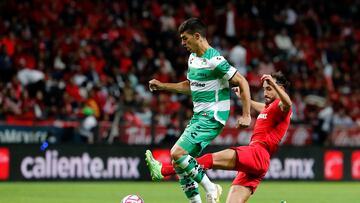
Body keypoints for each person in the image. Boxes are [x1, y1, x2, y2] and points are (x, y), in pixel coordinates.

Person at [147, 18, 252, 203]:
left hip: (212, 116)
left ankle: (212, 188)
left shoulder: (214, 59)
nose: (183, 43)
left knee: (176, 153)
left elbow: (242, 81)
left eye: (185, 38)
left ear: (197, 36)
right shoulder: (193, 58)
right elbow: (190, 85)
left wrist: (246, 114)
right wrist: (163, 86)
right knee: (179, 163)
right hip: (199, 116)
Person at [146, 72, 292, 203]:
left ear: (281, 90)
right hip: (258, 162)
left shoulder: (283, 107)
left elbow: (288, 103)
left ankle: (164, 171)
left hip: (257, 153)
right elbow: (260, 107)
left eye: (269, 88)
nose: (265, 92)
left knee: (212, 159)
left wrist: (273, 83)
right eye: (265, 88)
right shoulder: (269, 108)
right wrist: (243, 97)